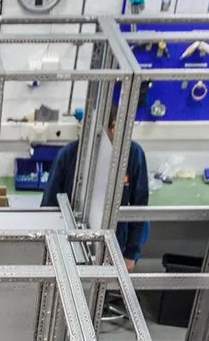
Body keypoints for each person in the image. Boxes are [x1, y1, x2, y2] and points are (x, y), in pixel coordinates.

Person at [43, 103, 150, 263]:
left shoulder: (133, 155)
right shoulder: (68, 155)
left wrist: (131, 254)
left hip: (115, 243)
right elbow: (49, 206)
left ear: (113, 128)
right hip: (72, 244)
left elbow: (139, 207)